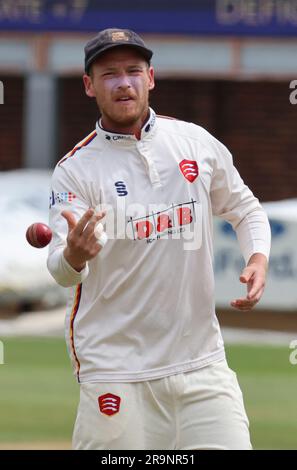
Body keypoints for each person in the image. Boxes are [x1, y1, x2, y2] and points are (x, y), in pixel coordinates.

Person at [47, 28, 271, 450]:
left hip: (202, 364)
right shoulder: (75, 171)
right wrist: (74, 257)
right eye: (109, 74)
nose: (123, 82)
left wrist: (257, 257)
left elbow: (245, 209)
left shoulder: (194, 142)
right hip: (116, 371)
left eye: (133, 71)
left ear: (150, 77)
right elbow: (61, 271)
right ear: (89, 86)